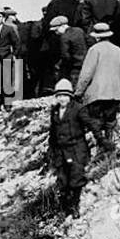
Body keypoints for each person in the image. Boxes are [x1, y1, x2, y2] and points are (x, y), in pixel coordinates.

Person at [73, 22, 120, 155]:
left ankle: (100, 150)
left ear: (96, 37)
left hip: (97, 94)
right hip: (114, 93)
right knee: (110, 123)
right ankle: (110, 150)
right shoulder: (118, 50)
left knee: (96, 123)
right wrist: (119, 89)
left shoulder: (94, 50)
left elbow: (86, 74)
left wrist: (78, 92)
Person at [47, 79, 89, 218]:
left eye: (64, 95)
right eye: (59, 96)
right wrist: (51, 151)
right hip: (60, 152)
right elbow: (53, 132)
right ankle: (65, 209)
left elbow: (90, 124)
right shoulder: (54, 111)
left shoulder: (78, 109)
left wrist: (101, 139)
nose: (62, 98)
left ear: (70, 96)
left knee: (76, 179)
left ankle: (75, 206)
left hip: (76, 150)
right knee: (63, 181)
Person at [49, 14, 88, 86]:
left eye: (56, 30)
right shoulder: (79, 30)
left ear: (63, 26)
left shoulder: (64, 37)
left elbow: (65, 55)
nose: (56, 33)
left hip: (74, 66)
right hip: (86, 63)